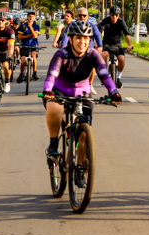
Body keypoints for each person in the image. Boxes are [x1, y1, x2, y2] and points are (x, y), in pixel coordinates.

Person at [42, 20, 121, 160]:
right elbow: (52, 75)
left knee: (85, 132)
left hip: (83, 92)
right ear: (71, 39)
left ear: (90, 40)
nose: (82, 42)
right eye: (78, 38)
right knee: (55, 109)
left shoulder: (93, 54)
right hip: (59, 90)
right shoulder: (61, 54)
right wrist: (47, 90)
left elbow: (104, 75)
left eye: (86, 38)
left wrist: (114, 91)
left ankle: (80, 165)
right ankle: (53, 143)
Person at [67, 8, 103, 95]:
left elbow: (97, 35)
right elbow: (65, 35)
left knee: (93, 64)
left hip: (88, 51)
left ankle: (90, 84)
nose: (82, 17)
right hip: (74, 51)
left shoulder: (92, 26)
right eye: (80, 15)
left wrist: (100, 46)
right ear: (77, 16)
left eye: (84, 15)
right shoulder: (72, 25)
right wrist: (64, 45)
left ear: (87, 17)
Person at [98, 5, 132, 89]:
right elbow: (99, 33)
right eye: (112, 15)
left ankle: (119, 77)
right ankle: (105, 75)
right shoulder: (105, 21)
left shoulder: (121, 22)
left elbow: (126, 34)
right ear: (110, 14)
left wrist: (129, 44)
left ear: (118, 15)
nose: (114, 17)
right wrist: (98, 44)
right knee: (104, 55)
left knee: (121, 59)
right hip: (106, 44)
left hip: (117, 44)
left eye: (116, 15)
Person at [16, 11, 40, 82]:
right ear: (27, 17)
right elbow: (20, 37)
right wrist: (29, 35)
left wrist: (30, 27)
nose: (31, 18)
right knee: (23, 60)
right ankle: (21, 74)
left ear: (34, 18)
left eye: (32, 16)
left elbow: (35, 36)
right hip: (24, 45)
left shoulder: (36, 26)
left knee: (33, 55)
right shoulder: (22, 26)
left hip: (34, 45)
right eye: (29, 16)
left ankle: (34, 73)